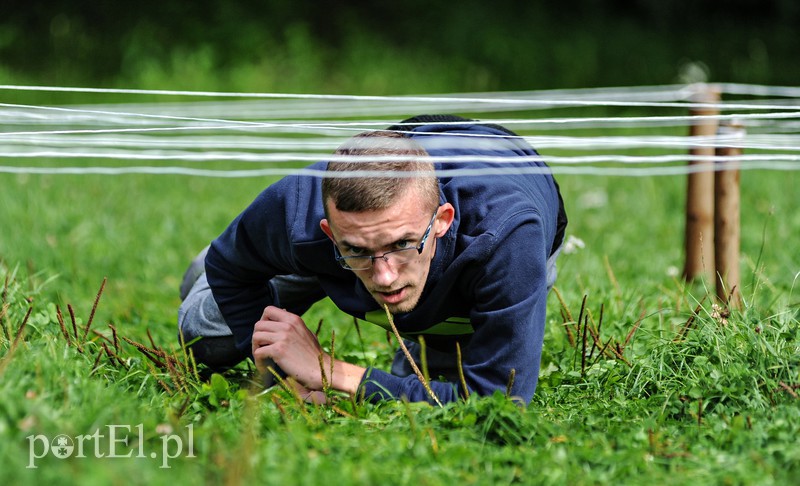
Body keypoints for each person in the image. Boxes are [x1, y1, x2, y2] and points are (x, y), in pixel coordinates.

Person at [178, 114, 567, 405]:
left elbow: (499, 402)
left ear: (442, 221)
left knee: (440, 381)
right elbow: (230, 267)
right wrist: (281, 374)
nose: (384, 276)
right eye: (357, 249)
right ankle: (239, 258)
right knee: (206, 337)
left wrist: (331, 371)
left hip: (495, 230)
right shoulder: (297, 210)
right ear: (330, 232)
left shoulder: (508, 239)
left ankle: (423, 331)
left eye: (402, 244)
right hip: (328, 257)